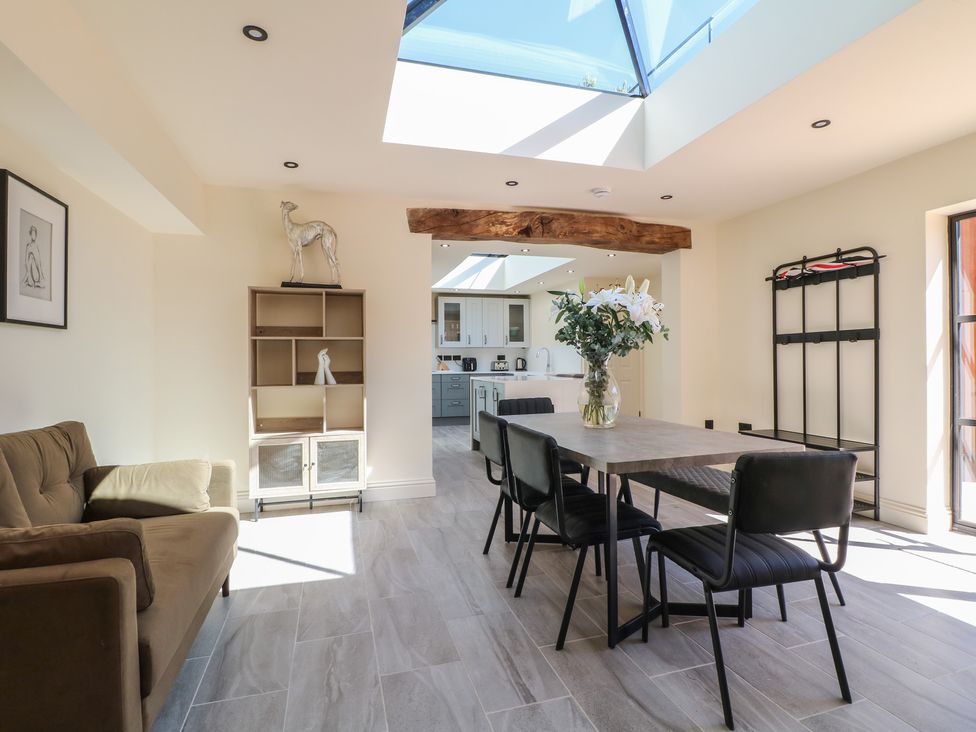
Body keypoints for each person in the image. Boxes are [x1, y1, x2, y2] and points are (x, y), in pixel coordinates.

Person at [23, 224, 45, 290]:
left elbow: (39, 261)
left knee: (33, 255)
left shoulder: (37, 246)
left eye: (35, 234)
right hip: (30, 269)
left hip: (36, 270)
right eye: (32, 234)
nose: (34, 236)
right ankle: (30, 278)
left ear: (36, 235)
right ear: (30, 235)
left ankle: (40, 277)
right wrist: (28, 274)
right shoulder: (28, 246)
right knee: (31, 256)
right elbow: (26, 261)